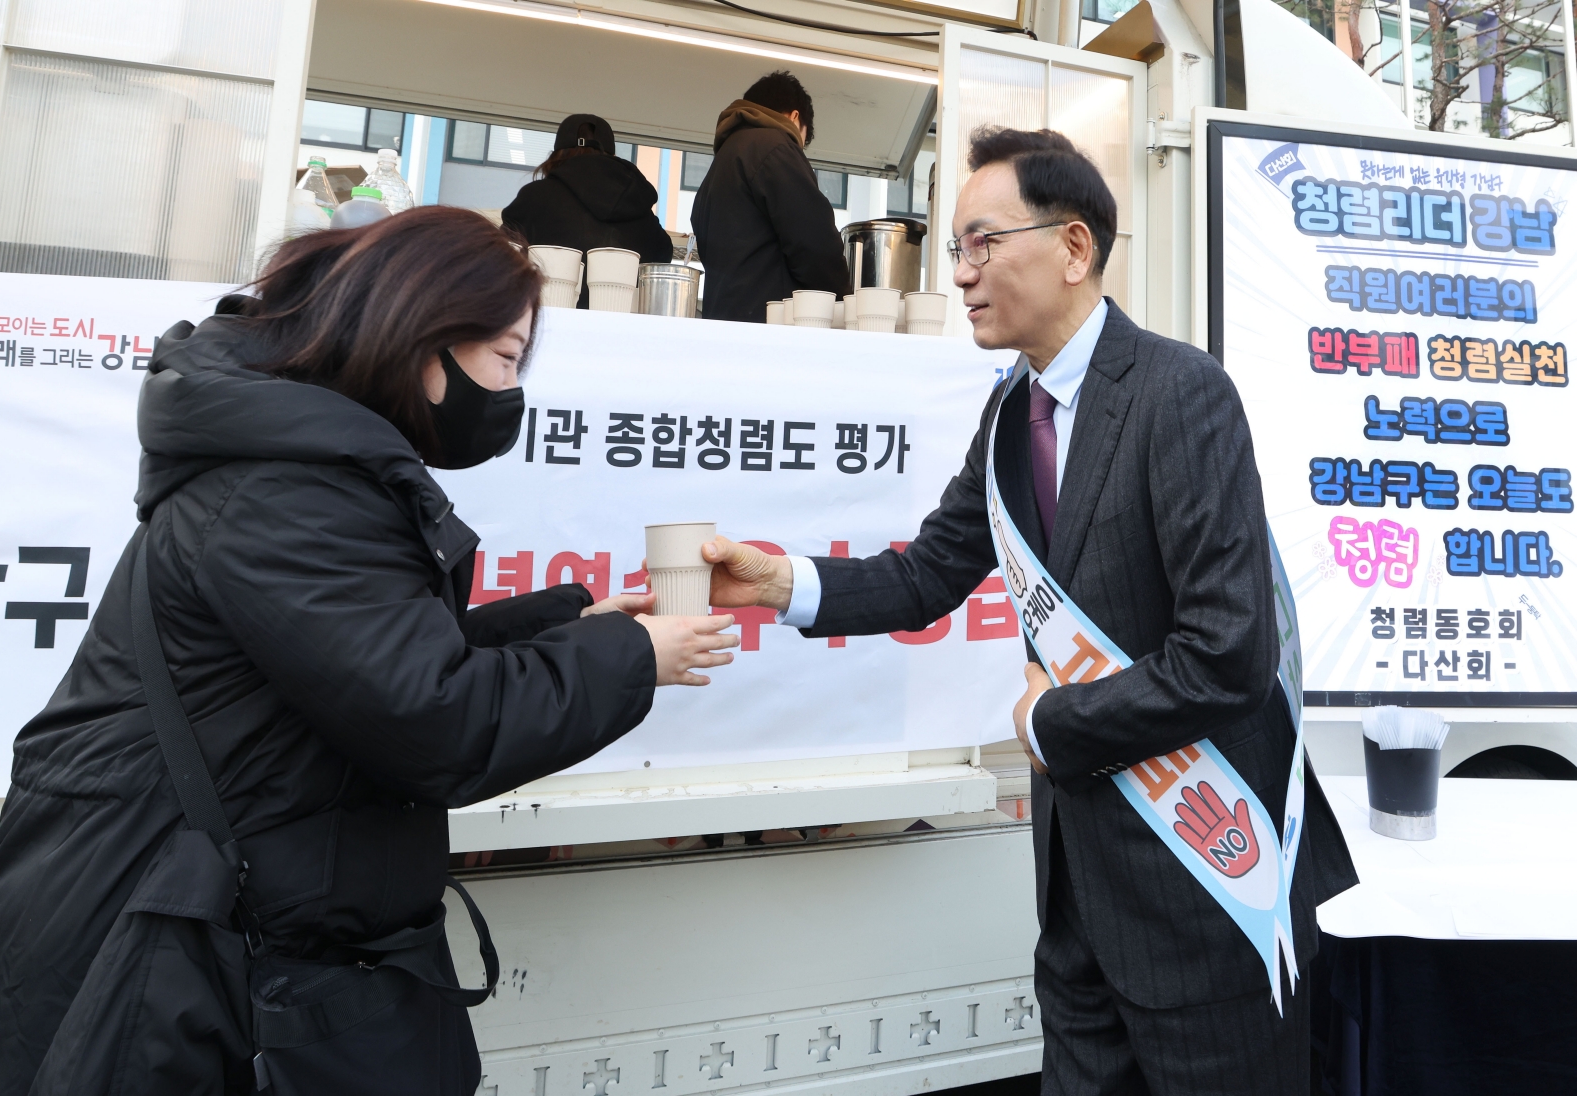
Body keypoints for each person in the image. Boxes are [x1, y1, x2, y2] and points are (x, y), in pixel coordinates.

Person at [0, 207, 736, 1095]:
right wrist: (636, 656)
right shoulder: (293, 491)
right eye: (504, 359)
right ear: (423, 336)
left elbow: (376, 663)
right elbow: (438, 718)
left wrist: (589, 623)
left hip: (209, 930)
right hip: (173, 961)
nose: (510, 390)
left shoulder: (299, 462)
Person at [703, 128, 1358, 1093]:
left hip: (1210, 894)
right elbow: (929, 572)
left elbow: (1226, 656)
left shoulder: (1181, 394)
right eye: (952, 250)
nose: (960, 274)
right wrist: (773, 583)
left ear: (1075, 247)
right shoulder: (1013, 412)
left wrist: (1055, 719)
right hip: (1078, 898)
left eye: (980, 242)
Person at [691, 70, 850, 323]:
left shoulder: (720, 165)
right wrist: (845, 303)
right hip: (768, 324)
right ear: (795, 117)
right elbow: (813, 242)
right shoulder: (774, 147)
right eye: (802, 139)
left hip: (722, 318)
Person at [501, 113, 674, 307]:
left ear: (557, 154)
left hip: (547, 322)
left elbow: (502, 258)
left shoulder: (535, 198)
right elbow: (662, 256)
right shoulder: (637, 204)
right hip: (622, 328)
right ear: (611, 155)